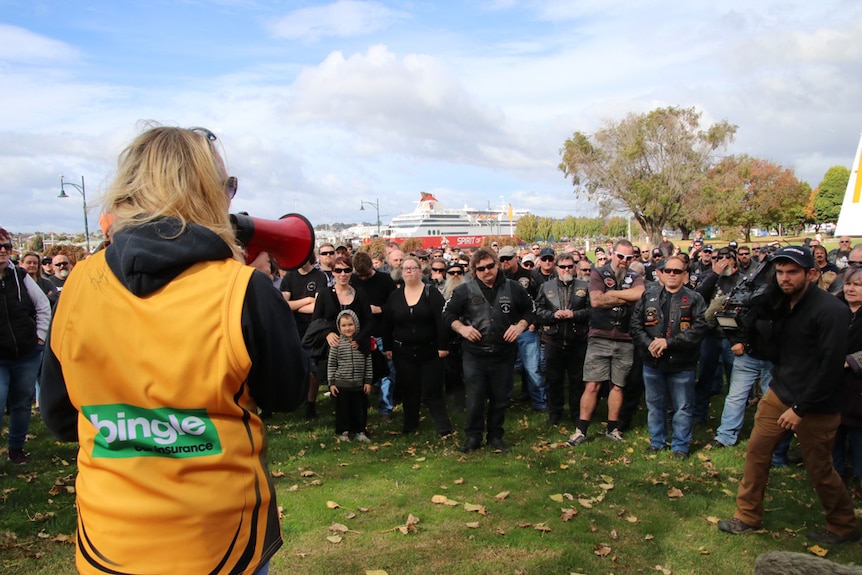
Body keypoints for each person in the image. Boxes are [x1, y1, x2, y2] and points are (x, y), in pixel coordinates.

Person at [39, 126, 309, 574]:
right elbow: (288, 393)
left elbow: (60, 419)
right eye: (228, 185)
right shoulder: (243, 289)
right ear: (208, 191)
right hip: (222, 545)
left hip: (107, 545)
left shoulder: (76, 287)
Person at [718, 246, 860, 545]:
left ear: (812, 273)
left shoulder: (831, 310)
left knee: (819, 468)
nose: (784, 278)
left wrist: (800, 408)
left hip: (817, 405)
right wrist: (752, 326)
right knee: (756, 453)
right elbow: (776, 351)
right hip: (780, 392)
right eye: (780, 272)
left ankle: (844, 525)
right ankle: (747, 515)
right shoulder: (780, 303)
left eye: (792, 272)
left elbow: (830, 368)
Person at [444, 247, 534, 453]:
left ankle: (495, 436)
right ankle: (473, 437)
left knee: (500, 398)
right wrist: (462, 328)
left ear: (497, 264)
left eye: (490, 266)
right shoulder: (463, 290)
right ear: (475, 271)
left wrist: (520, 325)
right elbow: (447, 313)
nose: (486, 271)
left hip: (503, 353)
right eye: (481, 268)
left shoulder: (513, 288)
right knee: (475, 398)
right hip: (474, 354)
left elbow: (531, 309)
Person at [568, 239, 644, 446]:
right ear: (612, 253)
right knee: (592, 384)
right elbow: (596, 301)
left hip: (625, 338)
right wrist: (625, 299)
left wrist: (612, 294)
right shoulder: (598, 273)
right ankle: (581, 429)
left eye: (629, 258)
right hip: (599, 336)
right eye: (620, 256)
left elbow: (640, 294)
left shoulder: (635, 276)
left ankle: (613, 428)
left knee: (618, 385)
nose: (624, 261)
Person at [631, 256, 708, 459]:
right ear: (661, 273)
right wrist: (650, 345)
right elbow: (635, 325)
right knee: (655, 405)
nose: (672, 274)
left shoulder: (694, 299)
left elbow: (699, 329)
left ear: (685, 275)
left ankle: (680, 446)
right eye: (668, 271)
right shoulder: (649, 295)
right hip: (652, 362)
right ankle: (657, 441)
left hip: (682, 363)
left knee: (682, 407)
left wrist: (669, 343)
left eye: (677, 271)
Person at [383, 256, 452, 436]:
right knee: (409, 390)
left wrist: (442, 346)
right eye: (406, 269)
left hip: (430, 351)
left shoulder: (432, 294)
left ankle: (443, 428)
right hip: (403, 352)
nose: (409, 272)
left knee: (432, 390)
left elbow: (442, 321)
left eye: (413, 268)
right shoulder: (395, 296)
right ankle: (410, 426)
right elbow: (388, 324)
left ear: (420, 271)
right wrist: (388, 347)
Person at [1, 230, 51, 464]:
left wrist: (40, 338)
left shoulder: (20, 276)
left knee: (22, 402)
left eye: (7, 246)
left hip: (26, 352)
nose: (3, 250)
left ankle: (16, 449)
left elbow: (43, 306)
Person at [534, 254, 591, 425]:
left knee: (577, 380)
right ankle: (555, 413)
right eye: (562, 267)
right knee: (553, 380)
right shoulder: (546, 286)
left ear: (574, 267)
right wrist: (553, 315)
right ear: (556, 268)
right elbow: (537, 310)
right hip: (553, 340)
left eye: (569, 266)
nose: (566, 270)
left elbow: (592, 310)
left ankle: (576, 414)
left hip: (577, 340)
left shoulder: (584, 286)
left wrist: (575, 314)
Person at [498, 245, 546, 411]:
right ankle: (504, 403)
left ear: (515, 258)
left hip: (526, 329)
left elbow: (538, 301)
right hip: (506, 330)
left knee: (532, 368)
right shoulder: (498, 278)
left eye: (507, 259)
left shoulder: (528, 276)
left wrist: (534, 323)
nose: (504, 262)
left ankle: (540, 403)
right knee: (506, 369)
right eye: (501, 259)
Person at [281, 253, 328, 419]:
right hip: (292, 329)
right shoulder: (289, 277)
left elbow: (318, 306)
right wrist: (306, 300)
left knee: (312, 369)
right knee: (293, 368)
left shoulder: (319, 276)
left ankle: (311, 405)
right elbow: (283, 304)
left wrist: (294, 305)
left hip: (312, 328)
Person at [833, 266, 862, 497]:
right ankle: (835, 476)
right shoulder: (834, 308)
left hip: (858, 385)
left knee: (858, 434)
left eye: (858, 285)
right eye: (849, 284)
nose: (851, 289)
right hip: (833, 383)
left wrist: (850, 361)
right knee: (833, 431)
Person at [328, 309, 373, 443]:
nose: (347, 328)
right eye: (344, 325)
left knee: (360, 410)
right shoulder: (337, 344)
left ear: (356, 325)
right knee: (343, 410)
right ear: (339, 327)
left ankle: (360, 431)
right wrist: (332, 383)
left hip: (359, 384)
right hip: (342, 384)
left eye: (350, 325)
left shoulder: (363, 344)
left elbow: (368, 363)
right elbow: (331, 364)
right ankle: (343, 431)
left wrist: (368, 381)